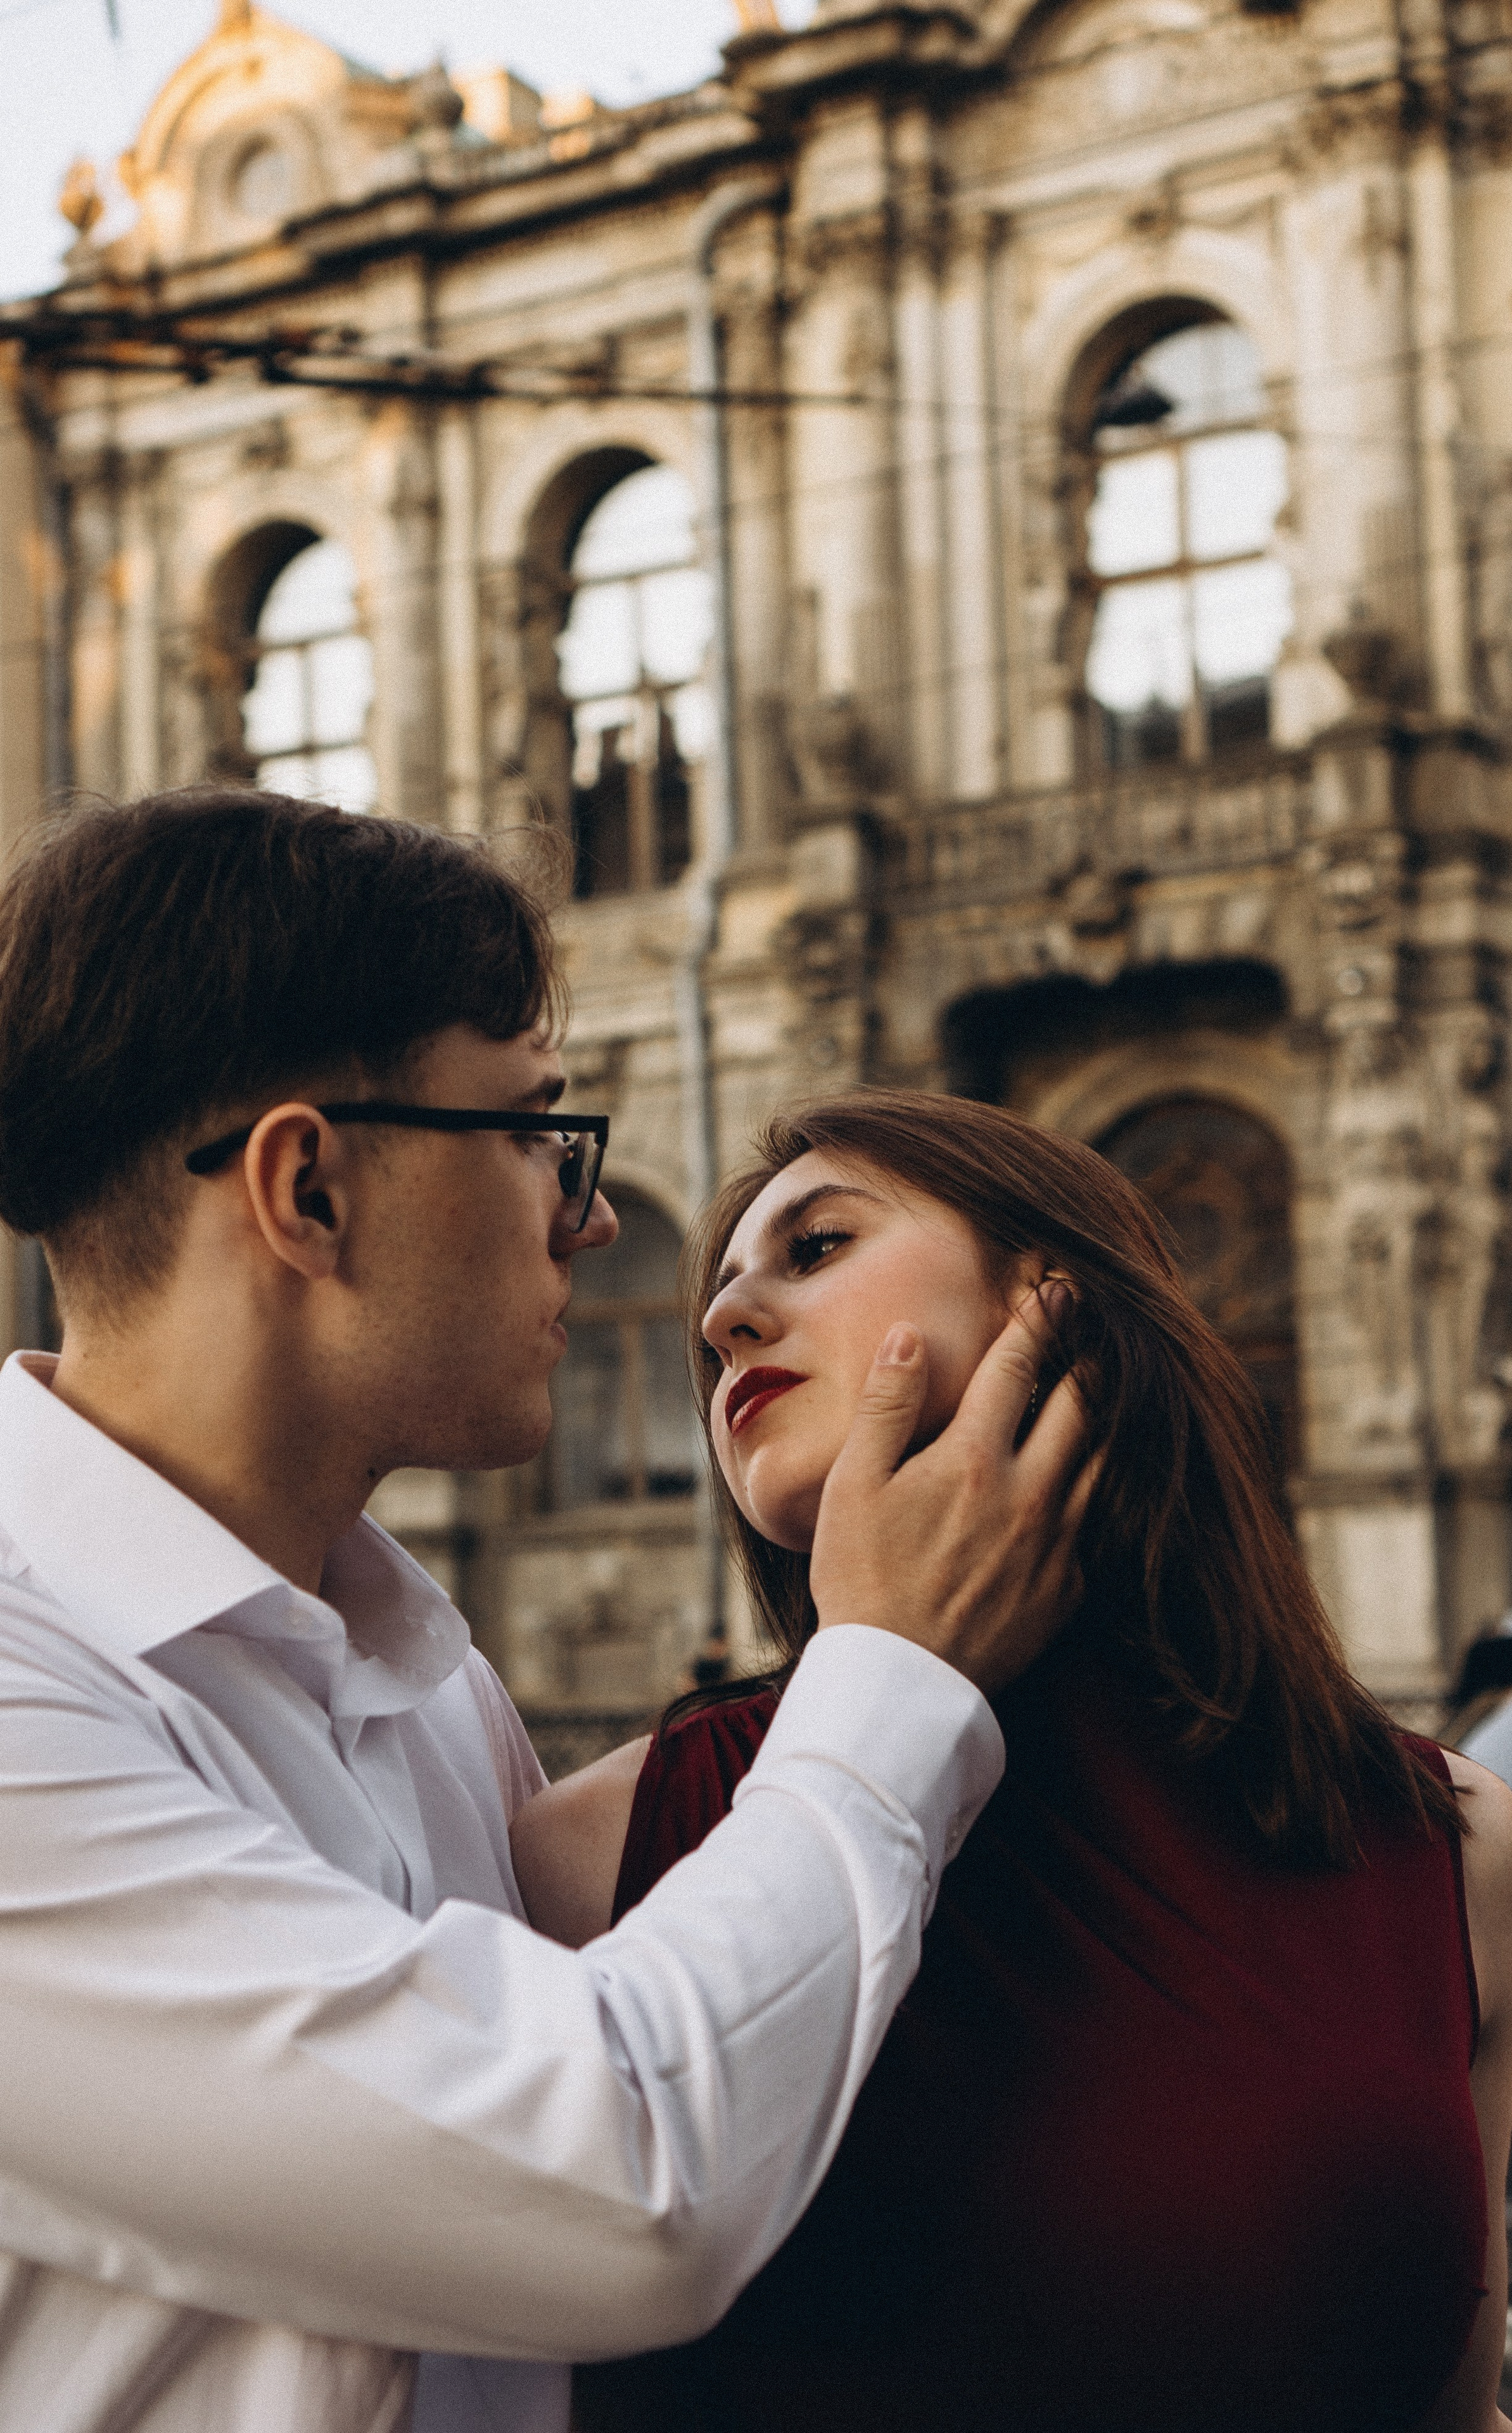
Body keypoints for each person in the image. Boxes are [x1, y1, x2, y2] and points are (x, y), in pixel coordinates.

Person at [0, 794, 1097, 2433]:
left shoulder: (411, 1663)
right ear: (308, 1192)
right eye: (533, 1134)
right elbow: (612, 2186)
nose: (590, 1216)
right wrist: (895, 1673)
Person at [514, 1090, 1512, 2433]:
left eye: (814, 1247)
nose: (721, 1321)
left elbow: (1455, 2416)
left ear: (1051, 1302)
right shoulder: (593, 1852)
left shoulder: (1448, 1846)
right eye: (718, 1295)